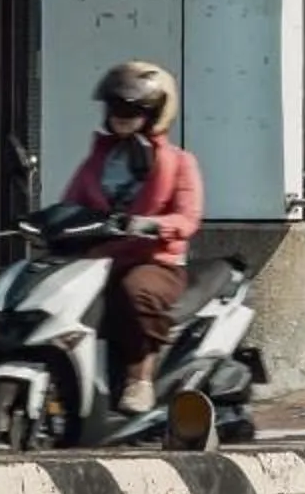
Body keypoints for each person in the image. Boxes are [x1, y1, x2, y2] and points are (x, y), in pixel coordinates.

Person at [61, 61, 204, 415]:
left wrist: (153, 225)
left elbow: (188, 217)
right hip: (100, 260)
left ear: (154, 112)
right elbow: (71, 202)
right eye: (114, 108)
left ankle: (140, 379)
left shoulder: (179, 162)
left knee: (135, 290)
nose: (120, 115)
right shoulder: (97, 161)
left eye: (131, 109)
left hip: (156, 262)